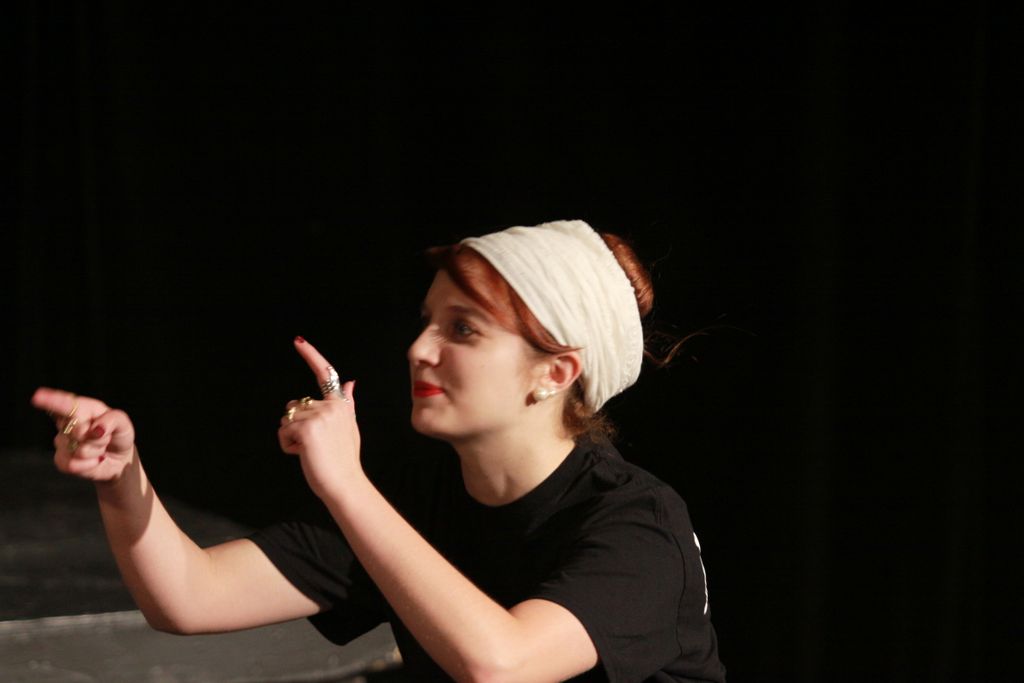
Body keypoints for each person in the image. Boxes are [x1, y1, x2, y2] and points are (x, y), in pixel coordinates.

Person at [31, 219, 726, 682]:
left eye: (463, 329)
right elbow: (188, 597)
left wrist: (346, 484)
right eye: (428, 321)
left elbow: (502, 664)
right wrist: (122, 477)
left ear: (555, 372)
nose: (419, 348)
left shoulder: (638, 527)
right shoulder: (416, 499)